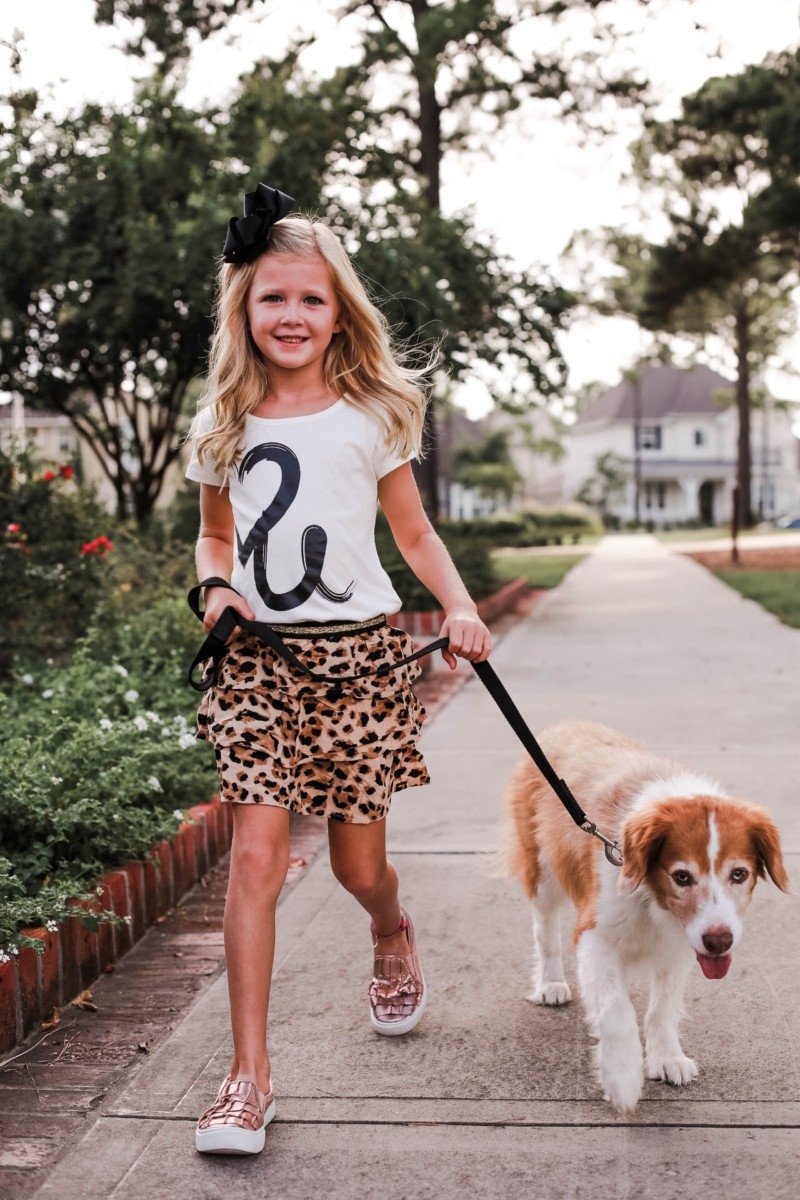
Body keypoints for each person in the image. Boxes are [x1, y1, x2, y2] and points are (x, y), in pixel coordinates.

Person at [185, 182, 491, 1156]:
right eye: (272, 297)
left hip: (359, 665)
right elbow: (211, 535)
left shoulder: (372, 413)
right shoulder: (223, 421)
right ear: (245, 307)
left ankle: (388, 929)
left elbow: (411, 529)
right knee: (256, 862)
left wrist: (460, 607)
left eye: (310, 299)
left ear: (337, 311)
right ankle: (247, 1079)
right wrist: (215, 590)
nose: (291, 315)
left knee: (358, 865)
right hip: (259, 665)